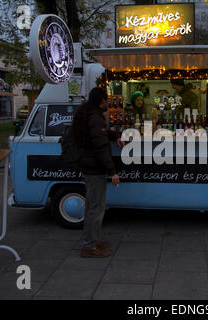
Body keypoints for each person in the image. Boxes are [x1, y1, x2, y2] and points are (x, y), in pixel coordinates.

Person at [72, 87, 124, 258]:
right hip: (94, 168)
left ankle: (93, 240)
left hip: (88, 166)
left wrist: (114, 135)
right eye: (106, 99)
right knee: (96, 207)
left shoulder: (89, 113)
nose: (109, 102)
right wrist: (112, 171)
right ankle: (89, 246)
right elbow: (101, 147)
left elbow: (100, 135)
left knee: (93, 206)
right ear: (101, 100)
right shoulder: (95, 118)